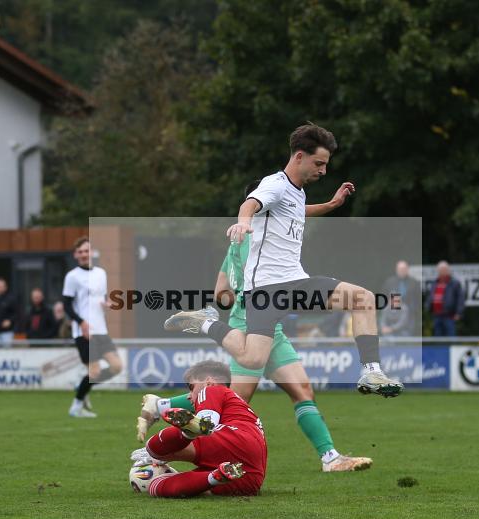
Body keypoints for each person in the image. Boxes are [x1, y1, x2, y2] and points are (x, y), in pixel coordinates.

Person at [163, 123, 402, 397]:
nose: (323, 170)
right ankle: (203, 321)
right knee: (252, 359)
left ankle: (371, 372)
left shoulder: (297, 192)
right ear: (299, 156)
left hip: (296, 282)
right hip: (265, 290)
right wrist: (243, 223)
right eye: (319, 163)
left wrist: (332, 205)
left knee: (363, 299)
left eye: (325, 165)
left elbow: (298, 211)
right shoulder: (274, 184)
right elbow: (249, 204)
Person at [139, 203, 372, 472]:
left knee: (300, 389)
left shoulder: (237, 241)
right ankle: (156, 436)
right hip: (252, 323)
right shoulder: (264, 239)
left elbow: (221, 292)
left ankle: (330, 458)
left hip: (265, 325)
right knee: (231, 400)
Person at [131, 361, 267, 498]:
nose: (189, 396)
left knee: (152, 447)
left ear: (208, 382)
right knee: (157, 486)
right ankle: (214, 476)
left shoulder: (212, 389)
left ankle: (186, 435)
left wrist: (156, 454)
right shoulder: (238, 404)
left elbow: (208, 422)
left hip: (234, 437)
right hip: (251, 476)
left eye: (191, 387)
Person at [62, 236, 123, 418]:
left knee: (117, 367)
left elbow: (102, 298)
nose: (83, 254)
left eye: (86, 251)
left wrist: (107, 303)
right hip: (83, 332)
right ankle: (76, 406)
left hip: (101, 330)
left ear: (91, 253)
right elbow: (66, 305)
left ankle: (83, 384)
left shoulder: (101, 273)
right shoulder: (72, 277)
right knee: (94, 371)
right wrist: (81, 322)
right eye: (80, 252)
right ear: (75, 255)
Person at [380, 260, 420, 336]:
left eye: (404, 269)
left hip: (410, 315)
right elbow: (383, 297)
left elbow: (418, 299)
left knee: (407, 335)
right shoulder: (389, 282)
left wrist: (414, 309)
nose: (402, 271)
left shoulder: (414, 282)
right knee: (389, 336)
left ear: (407, 270)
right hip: (392, 314)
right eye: (400, 269)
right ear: (396, 270)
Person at [426, 261, 464, 337]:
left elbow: (460, 298)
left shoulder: (455, 283)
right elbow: (430, 296)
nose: (442, 272)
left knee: (450, 337)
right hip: (436, 315)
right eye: (440, 270)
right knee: (438, 337)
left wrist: (459, 312)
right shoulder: (435, 282)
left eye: (444, 269)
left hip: (449, 315)